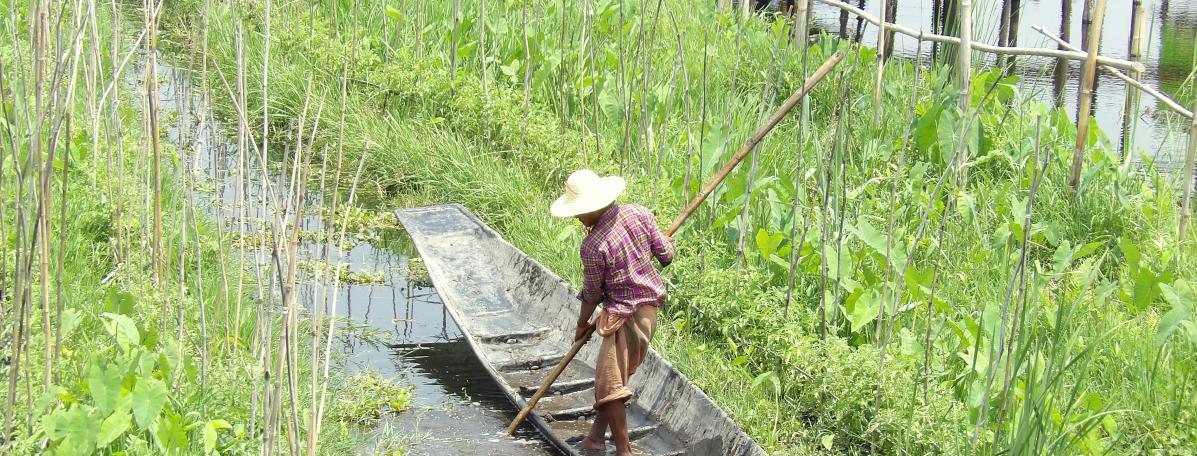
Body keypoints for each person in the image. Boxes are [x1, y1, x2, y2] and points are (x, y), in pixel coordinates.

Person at [550, 169, 675, 456]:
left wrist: (581, 323)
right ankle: (595, 437)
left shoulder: (593, 246)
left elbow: (592, 294)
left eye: (580, 213)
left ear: (594, 207)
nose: (577, 219)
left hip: (626, 318)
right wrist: (665, 244)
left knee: (608, 386)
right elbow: (665, 255)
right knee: (614, 379)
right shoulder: (640, 214)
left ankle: (624, 451)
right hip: (649, 313)